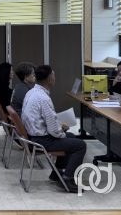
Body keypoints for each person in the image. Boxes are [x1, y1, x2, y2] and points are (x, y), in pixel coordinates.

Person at [21, 65, 86, 193]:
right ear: (49, 79)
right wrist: (62, 131)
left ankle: (57, 174)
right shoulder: (43, 98)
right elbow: (54, 131)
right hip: (42, 140)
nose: (55, 78)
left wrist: (61, 130)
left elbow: (46, 121)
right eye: (54, 75)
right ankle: (68, 179)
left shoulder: (31, 92)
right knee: (80, 145)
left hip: (33, 136)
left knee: (71, 138)